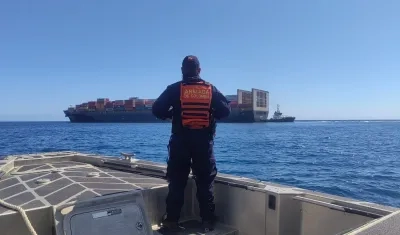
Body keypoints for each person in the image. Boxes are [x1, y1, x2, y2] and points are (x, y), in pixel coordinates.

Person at [152, 55, 231, 233]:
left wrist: (172, 115)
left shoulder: (175, 89)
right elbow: (226, 111)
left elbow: (156, 109)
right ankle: (207, 221)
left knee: (177, 182)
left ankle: (171, 221)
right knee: (205, 182)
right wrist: (212, 114)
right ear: (199, 70)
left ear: (182, 70)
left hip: (180, 142)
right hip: (203, 143)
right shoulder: (210, 89)